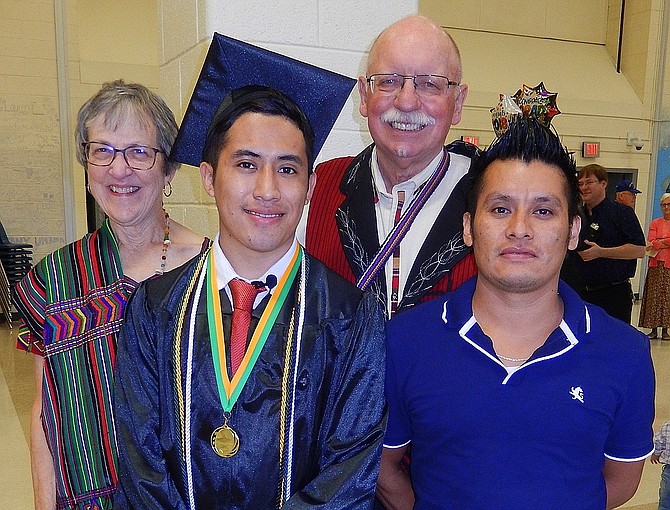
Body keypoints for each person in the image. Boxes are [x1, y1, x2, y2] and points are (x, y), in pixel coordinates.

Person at [113, 34, 386, 509]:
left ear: (310, 184)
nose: (267, 190)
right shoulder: (154, 307)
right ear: (207, 176)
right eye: (245, 164)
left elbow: (349, 474)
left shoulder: (350, 315)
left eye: (287, 169)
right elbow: (141, 468)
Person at [378, 117, 655, 509]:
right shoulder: (405, 340)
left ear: (573, 231)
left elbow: (621, 481)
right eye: (500, 208)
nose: (519, 229)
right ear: (469, 227)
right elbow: (383, 469)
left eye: (543, 212)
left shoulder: (625, 353)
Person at [12, 80, 208, 509]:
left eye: (139, 152)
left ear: (169, 170)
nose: (119, 170)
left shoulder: (210, 273)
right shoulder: (55, 280)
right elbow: (47, 410)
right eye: (102, 150)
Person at [304, 15, 478, 318]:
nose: (407, 101)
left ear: (458, 102)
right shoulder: (318, 187)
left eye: (429, 84)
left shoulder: (491, 198)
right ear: (364, 95)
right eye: (388, 81)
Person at [570, 163, 646, 323]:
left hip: (613, 294)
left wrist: (601, 252)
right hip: (580, 294)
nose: (584, 187)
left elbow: (639, 250)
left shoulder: (622, 213)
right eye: (581, 183)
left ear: (603, 184)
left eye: (589, 182)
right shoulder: (575, 216)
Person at [639, 192, 670, 339]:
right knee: (653, 297)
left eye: (669, 205)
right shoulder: (655, 223)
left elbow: (658, 242)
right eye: (663, 205)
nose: (666, 207)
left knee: (667, 298)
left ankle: (665, 330)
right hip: (655, 265)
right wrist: (664, 242)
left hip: (669, 266)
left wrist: (660, 242)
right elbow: (651, 242)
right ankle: (652, 329)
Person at [651, 421, 670, 510]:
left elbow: (658, 442)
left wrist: (656, 454)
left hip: (669, 469)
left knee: (666, 494)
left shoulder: (667, 426)